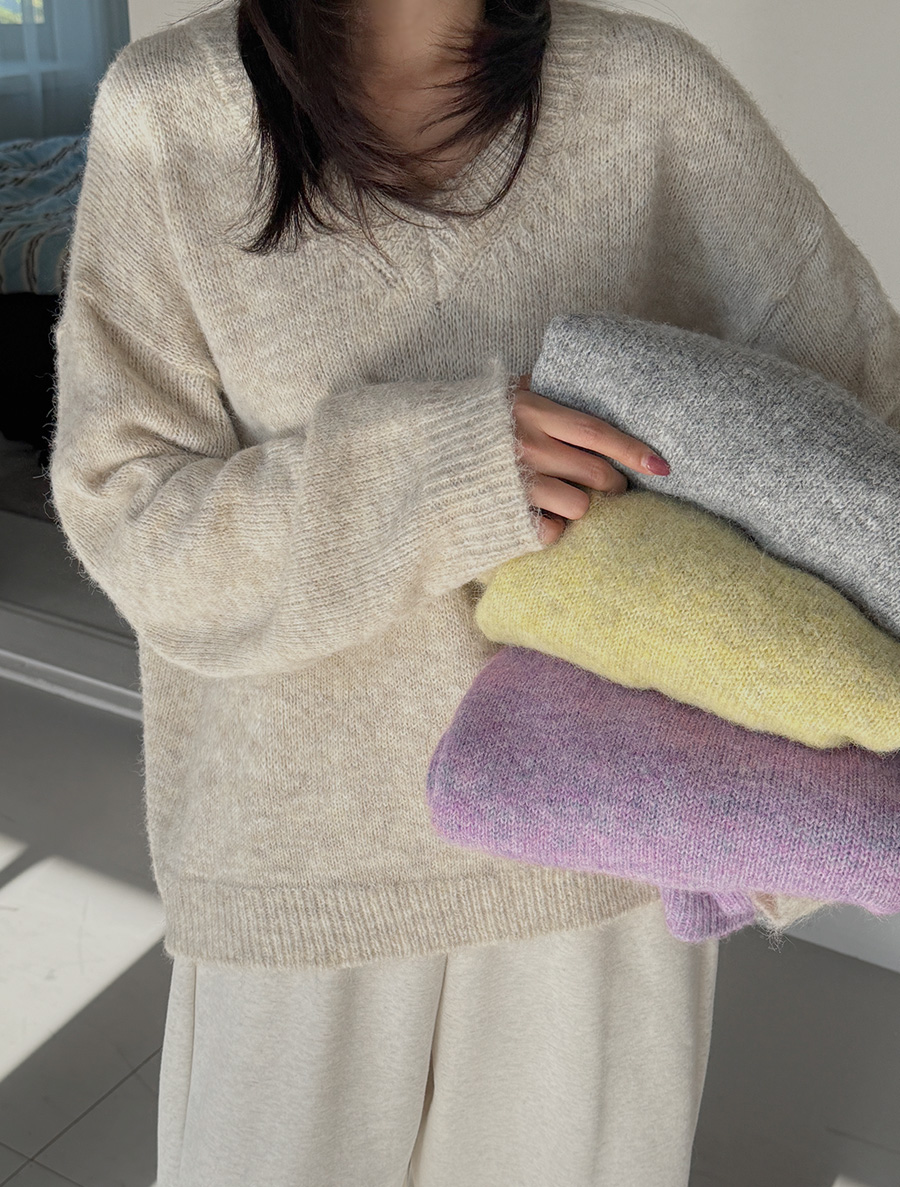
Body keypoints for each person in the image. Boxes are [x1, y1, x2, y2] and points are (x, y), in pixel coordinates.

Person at [48, 0, 900, 1183]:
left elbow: (862, 435)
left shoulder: (654, 95)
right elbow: (135, 522)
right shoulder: (173, 113)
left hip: (596, 869)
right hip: (301, 878)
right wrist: (441, 472)